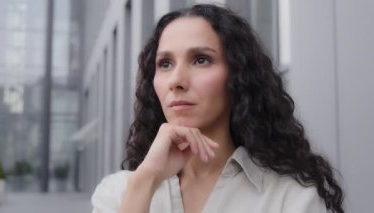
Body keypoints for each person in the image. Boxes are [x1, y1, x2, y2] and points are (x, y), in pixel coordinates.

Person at [91, 4, 344, 213]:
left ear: (238, 75)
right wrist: (145, 180)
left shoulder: (290, 198)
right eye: (165, 63)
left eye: (201, 60)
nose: (176, 81)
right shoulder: (117, 193)